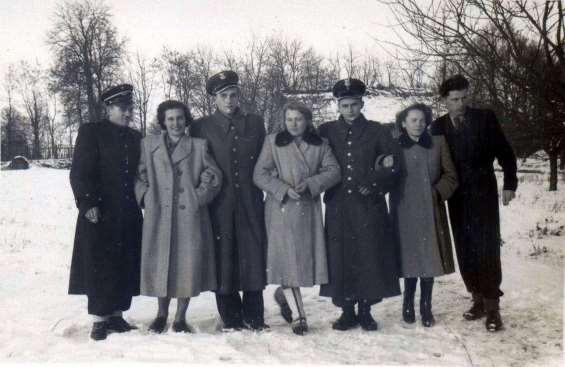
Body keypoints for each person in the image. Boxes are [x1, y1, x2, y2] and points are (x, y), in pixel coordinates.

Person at [431, 74, 518, 332]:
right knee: (465, 247)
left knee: (487, 247)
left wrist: (510, 184)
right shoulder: (438, 127)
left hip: (484, 194)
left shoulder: (485, 118)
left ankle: (493, 309)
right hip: (456, 197)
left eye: (464, 97)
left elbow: (506, 153)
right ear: (444, 100)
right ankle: (477, 299)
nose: (460, 103)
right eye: (454, 99)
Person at [318, 78, 401, 331]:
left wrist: (375, 184)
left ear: (362, 103)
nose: (350, 110)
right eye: (344, 105)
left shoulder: (378, 131)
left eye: (354, 104)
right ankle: (346, 310)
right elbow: (311, 156)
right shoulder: (326, 131)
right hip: (338, 204)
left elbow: (393, 164)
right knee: (340, 256)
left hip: (369, 206)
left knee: (369, 254)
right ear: (338, 106)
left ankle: (365, 310)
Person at [253, 101, 341, 335]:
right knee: (287, 260)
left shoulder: (321, 144)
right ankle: (300, 317)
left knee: (300, 261)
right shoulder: (273, 142)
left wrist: (312, 184)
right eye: (289, 119)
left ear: (308, 121)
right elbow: (259, 174)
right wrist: (281, 188)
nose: (293, 124)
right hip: (280, 209)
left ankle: (283, 295)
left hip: (307, 209)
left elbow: (334, 171)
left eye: (298, 119)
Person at [135, 100, 222, 334]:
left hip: (188, 216)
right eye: (170, 119)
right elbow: (139, 175)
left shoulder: (199, 145)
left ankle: (181, 317)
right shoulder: (149, 145)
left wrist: (197, 197)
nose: (175, 123)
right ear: (163, 121)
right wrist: (146, 196)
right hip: (160, 214)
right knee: (161, 262)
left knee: (187, 263)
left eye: (180, 118)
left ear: (186, 120)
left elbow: (213, 175)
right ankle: (161, 314)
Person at [191, 71, 268, 331]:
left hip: (250, 201)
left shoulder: (255, 123)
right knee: (223, 257)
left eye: (233, 94)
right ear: (214, 98)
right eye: (223, 95)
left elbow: (264, 160)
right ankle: (231, 316)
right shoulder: (201, 127)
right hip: (219, 203)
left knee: (252, 254)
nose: (229, 100)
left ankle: (255, 314)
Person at [69, 84, 143, 341]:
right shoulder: (92, 132)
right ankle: (100, 320)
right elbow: (79, 172)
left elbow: (140, 175)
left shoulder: (135, 138)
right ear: (109, 108)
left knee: (124, 262)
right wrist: (87, 203)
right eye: (123, 108)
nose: (127, 113)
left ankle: (117, 315)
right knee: (100, 265)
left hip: (128, 213)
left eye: (130, 108)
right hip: (99, 213)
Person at [383, 103, 458, 327]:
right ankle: (407, 303)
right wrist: (384, 166)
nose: (418, 124)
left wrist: (437, 193)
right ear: (403, 123)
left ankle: (426, 306)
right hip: (403, 211)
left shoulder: (438, 144)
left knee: (429, 257)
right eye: (413, 120)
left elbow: (451, 176)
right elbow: (383, 176)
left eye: (422, 120)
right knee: (409, 257)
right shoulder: (394, 145)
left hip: (431, 210)